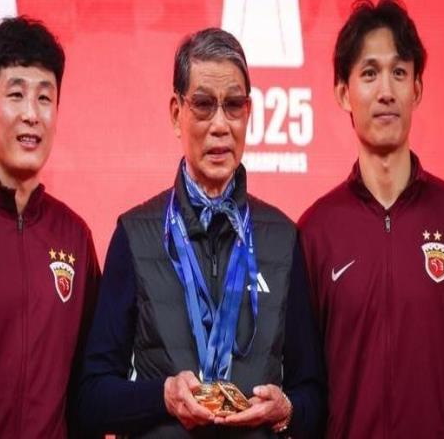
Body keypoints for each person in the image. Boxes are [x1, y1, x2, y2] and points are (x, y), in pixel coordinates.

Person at [79, 28, 325, 438]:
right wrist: (162, 396)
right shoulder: (135, 235)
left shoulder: (283, 238)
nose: (220, 125)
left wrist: (287, 410)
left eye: (233, 106)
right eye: (204, 105)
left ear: (249, 112)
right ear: (176, 112)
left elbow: (314, 396)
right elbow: (91, 397)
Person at [299, 0, 444, 437]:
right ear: (342, 92)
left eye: (399, 72)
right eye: (369, 73)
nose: (386, 91)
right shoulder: (315, 232)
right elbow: (303, 389)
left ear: (417, 89)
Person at [0, 17, 100, 437]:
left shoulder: (75, 238)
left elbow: (89, 387)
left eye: (45, 98)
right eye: (16, 95)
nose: (32, 114)